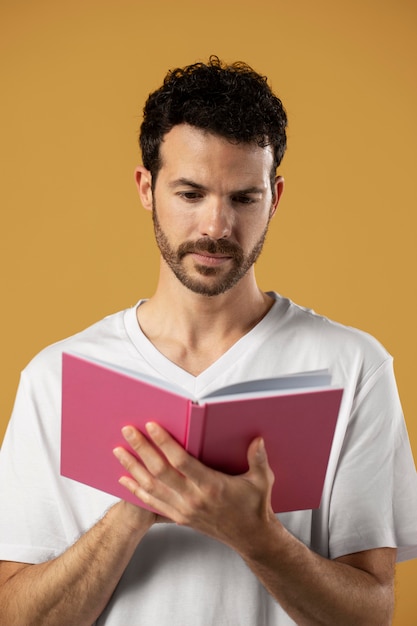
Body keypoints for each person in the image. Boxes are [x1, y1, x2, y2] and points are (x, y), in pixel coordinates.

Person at [0, 56, 416, 626]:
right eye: (191, 194)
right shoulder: (57, 377)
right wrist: (134, 510)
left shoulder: (352, 366)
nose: (216, 227)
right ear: (147, 189)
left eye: (244, 198)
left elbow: (371, 615)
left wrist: (259, 538)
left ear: (275, 197)